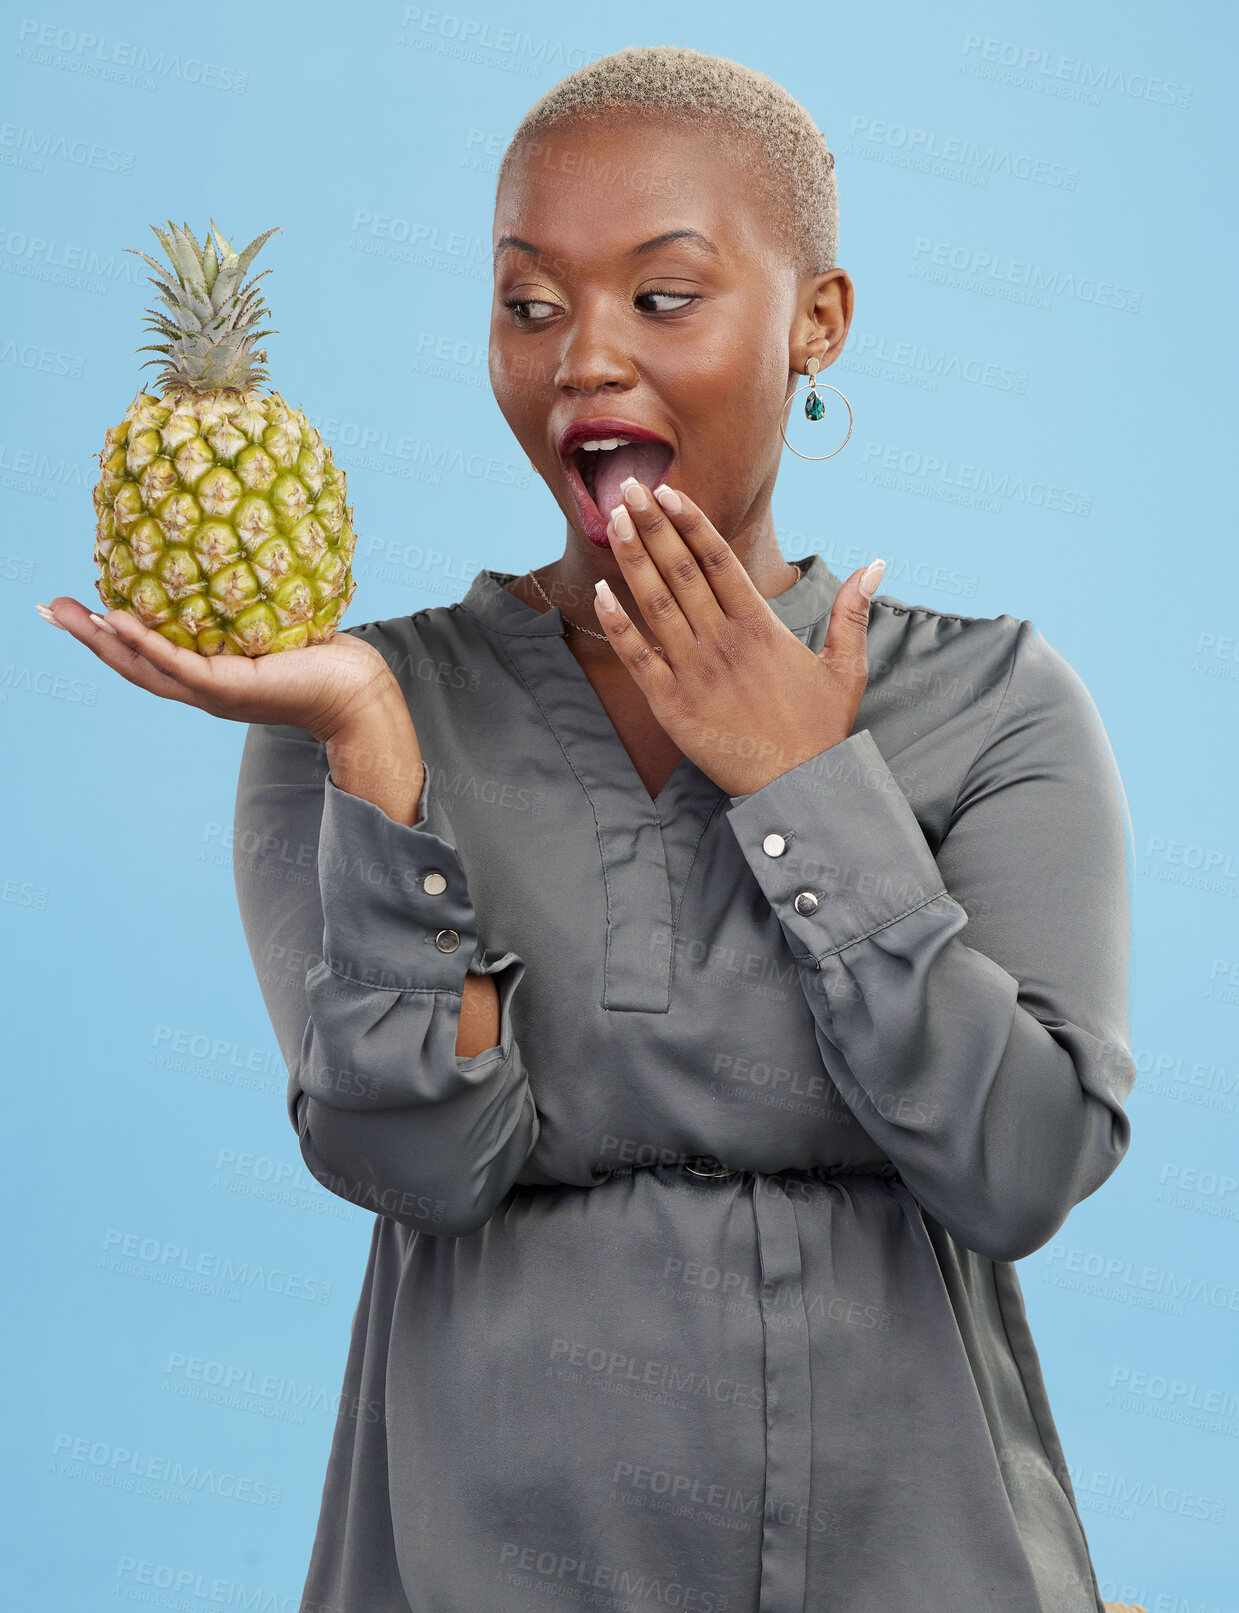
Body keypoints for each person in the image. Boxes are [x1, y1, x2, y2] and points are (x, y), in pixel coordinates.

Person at [42, 43, 1142, 1613]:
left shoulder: (996, 700)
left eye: (663, 297)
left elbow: (1021, 1166)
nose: (585, 363)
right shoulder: (363, 705)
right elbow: (408, 1154)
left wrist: (804, 789)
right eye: (532, 303)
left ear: (817, 320)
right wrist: (371, 758)